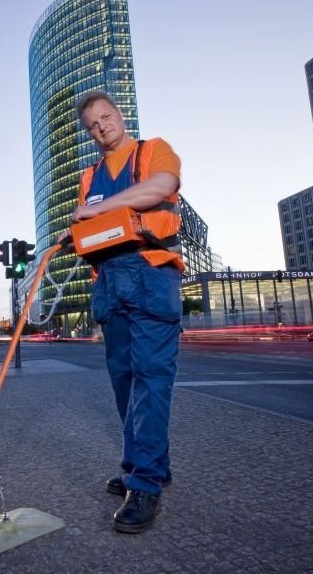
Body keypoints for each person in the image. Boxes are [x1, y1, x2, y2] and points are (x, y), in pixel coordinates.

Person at [70, 90, 184, 534]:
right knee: (124, 381)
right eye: (92, 125)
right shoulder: (89, 175)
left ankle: (146, 483)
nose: (101, 126)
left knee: (151, 378)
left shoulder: (154, 150)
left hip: (151, 274)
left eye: (106, 116)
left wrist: (100, 208)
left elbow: (162, 188)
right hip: (110, 284)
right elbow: (87, 225)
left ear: (120, 115)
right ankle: (148, 465)